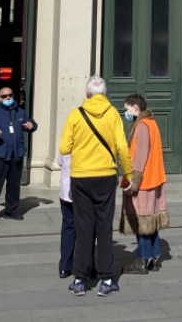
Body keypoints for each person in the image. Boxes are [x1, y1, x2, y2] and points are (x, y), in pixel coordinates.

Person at [59, 76, 132, 298]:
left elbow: (64, 147)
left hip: (81, 176)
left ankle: (80, 279)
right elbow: (122, 146)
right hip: (105, 176)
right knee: (104, 227)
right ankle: (107, 279)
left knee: (83, 228)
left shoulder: (75, 114)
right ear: (105, 94)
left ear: (88, 95)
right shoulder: (113, 115)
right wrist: (128, 174)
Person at [119, 93, 168, 273]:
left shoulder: (141, 126)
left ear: (135, 108)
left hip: (144, 181)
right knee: (151, 220)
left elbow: (139, 157)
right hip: (154, 178)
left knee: (142, 221)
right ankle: (154, 258)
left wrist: (133, 182)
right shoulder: (152, 123)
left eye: (127, 109)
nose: (126, 113)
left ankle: (142, 260)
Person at [0, 86, 37, 222]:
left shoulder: (20, 113)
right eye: (4, 96)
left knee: (14, 184)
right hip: (0, 153)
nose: (7, 98)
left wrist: (31, 125)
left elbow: (32, 123)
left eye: (9, 95)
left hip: (16, 154)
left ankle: (11, 210)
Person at [57, 152, 74, 278]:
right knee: (87, 229)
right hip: (82, 191)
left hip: (66, 189)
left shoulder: (66, 139)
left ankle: (65, 266)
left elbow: (60, 161)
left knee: (68, 227)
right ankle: (86, 266)